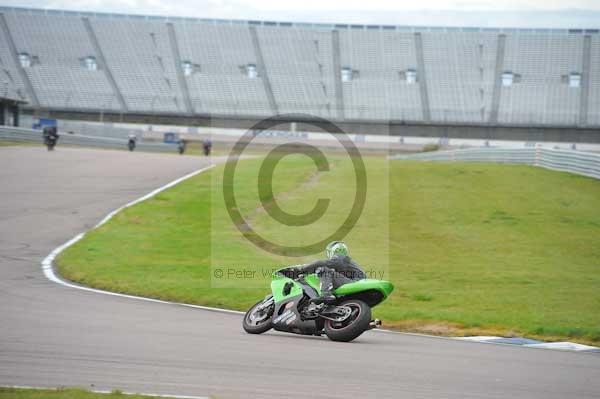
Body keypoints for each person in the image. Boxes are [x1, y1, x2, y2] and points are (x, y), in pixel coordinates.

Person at [280, 241, 366, 304]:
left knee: (324, 270)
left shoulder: (339, 257)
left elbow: (320, 263)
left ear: (332, 251)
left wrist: (301, 270)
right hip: (356, 287)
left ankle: (326, 294)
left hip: (354, 283)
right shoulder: (344, 262)